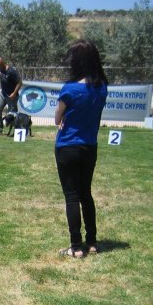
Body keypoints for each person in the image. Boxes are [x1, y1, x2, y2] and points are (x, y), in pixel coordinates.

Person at [54, 40, 108, 258]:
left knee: (72, 196)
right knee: (86, 194)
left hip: (67, 146)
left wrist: (63, 119)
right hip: (89, 147)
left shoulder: (70, 89)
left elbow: (57, 117)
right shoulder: (102, 88)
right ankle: (92, 242)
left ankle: (76, 247)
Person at [0, 57, 22, 136]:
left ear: (2, 64)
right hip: (3, 94)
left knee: (13, 115)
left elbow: (19, 83)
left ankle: (17, 132)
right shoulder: (1, 70)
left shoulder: (11, 71)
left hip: (12, 96)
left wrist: (14, 93)